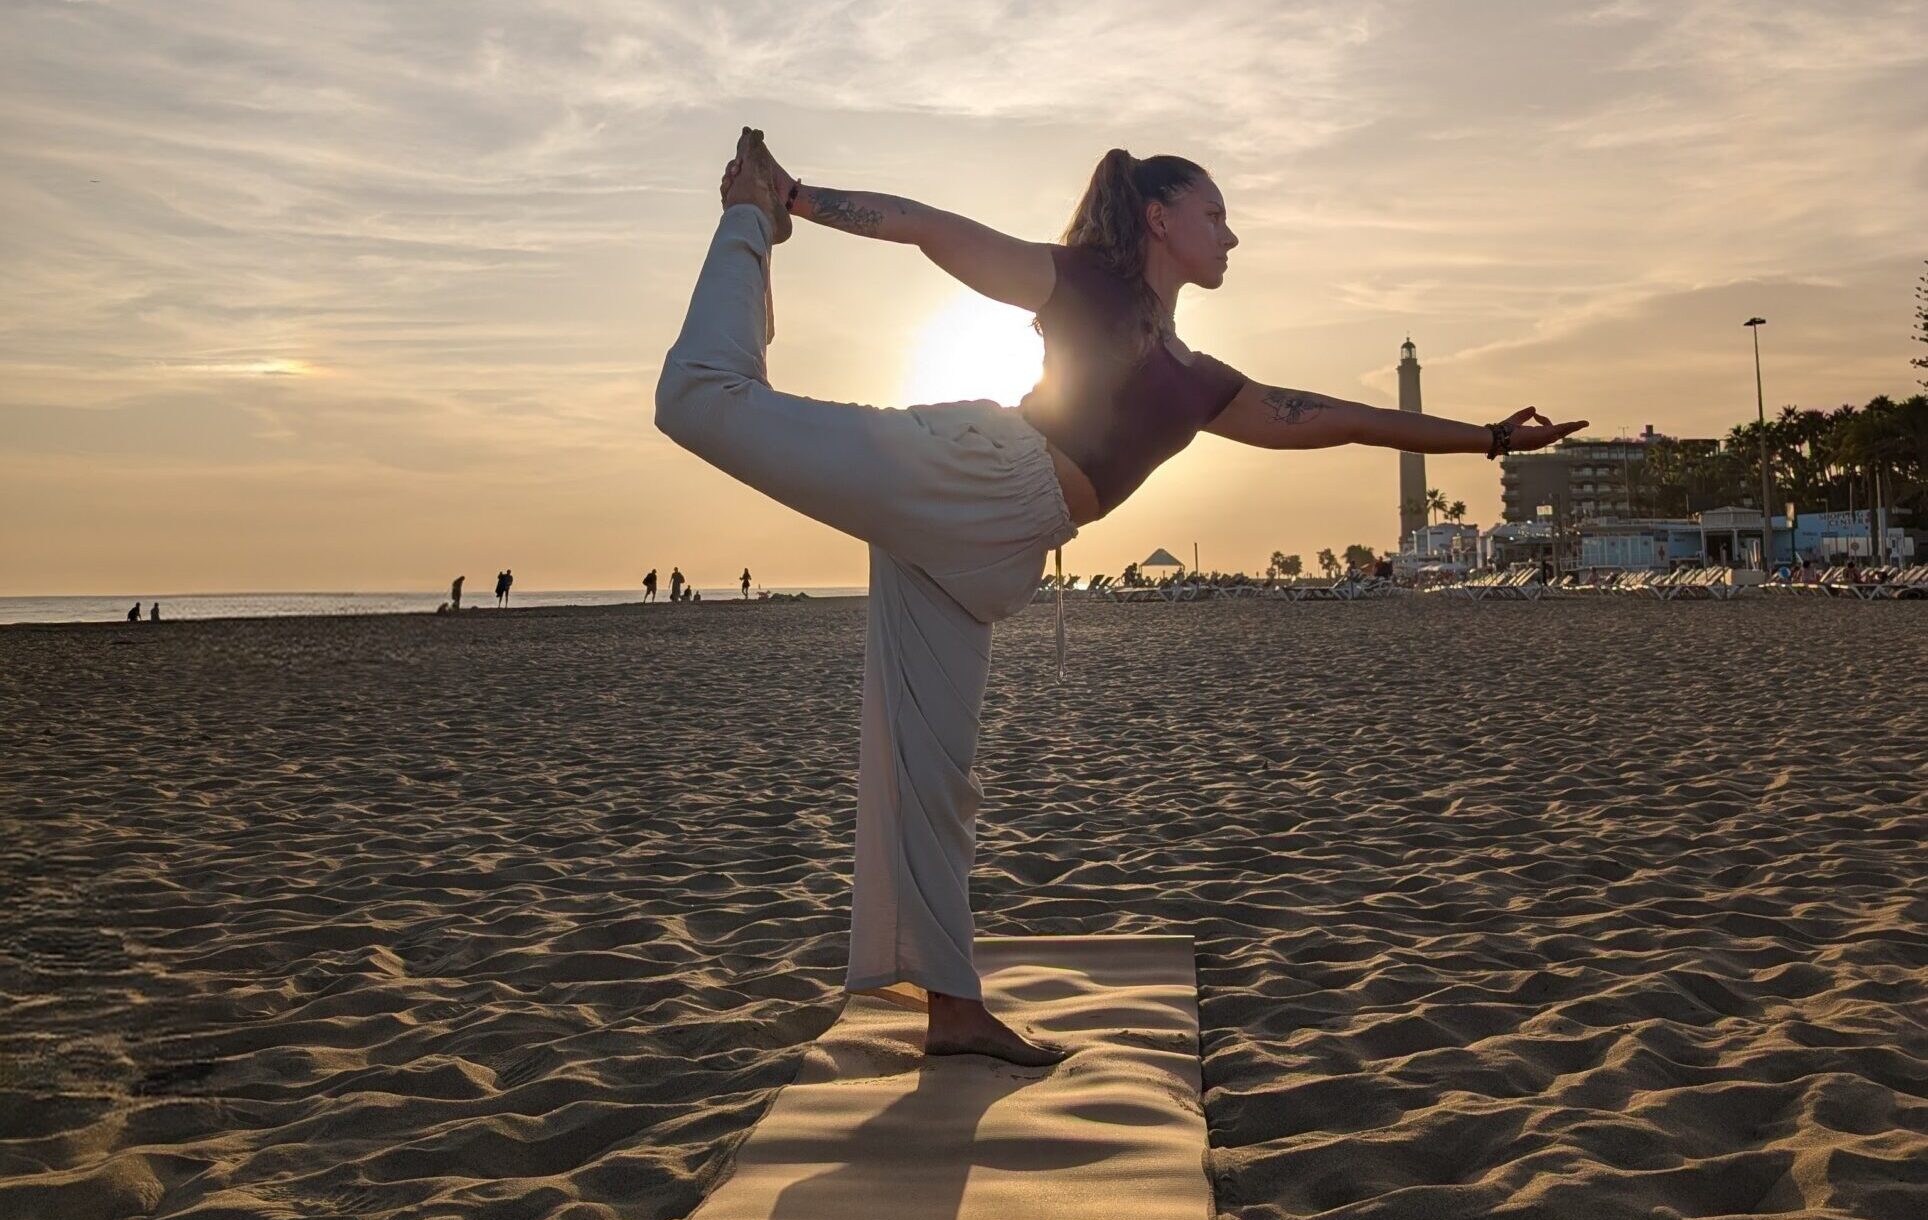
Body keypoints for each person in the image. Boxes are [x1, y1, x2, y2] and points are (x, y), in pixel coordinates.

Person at [656, 128, 1587, 1065]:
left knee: (932, 774)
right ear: (1159, 216)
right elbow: (938, 231)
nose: (1230, 236)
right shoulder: (1088, 287)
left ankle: (953, 1008)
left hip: (997, 551)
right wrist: (793, 199)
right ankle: (747, 215)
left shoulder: (1198, 380)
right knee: (698, 399)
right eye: (1215, 215)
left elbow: (1332, 418)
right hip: (971, 478)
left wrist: (1488, 441)